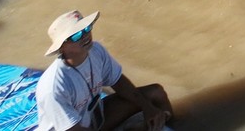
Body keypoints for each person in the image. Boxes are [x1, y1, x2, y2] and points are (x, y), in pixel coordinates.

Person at [36, 10, 174, 131]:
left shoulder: (96, 50)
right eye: (76, 35)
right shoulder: (54, 86)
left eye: (86, 28)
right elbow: (72, 129)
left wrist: (147, 107)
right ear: (61, 47)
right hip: (72, 129)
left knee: (156, 93)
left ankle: (171, 123)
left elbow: (119, 83)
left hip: (96, 119)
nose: (85, 36)